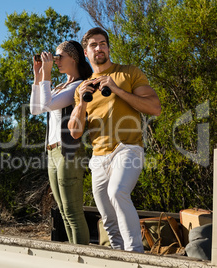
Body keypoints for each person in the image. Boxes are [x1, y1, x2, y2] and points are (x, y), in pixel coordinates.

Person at [68, 27, 161, 252]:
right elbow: (75, 132)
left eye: (102, 43)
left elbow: (154, 108)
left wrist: (116, 89)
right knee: (107, 213)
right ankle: (118, 254)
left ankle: (134, 254)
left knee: (117, 192)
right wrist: (82, 102)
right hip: (99, 157)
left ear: (108, 48)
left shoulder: (128, 73)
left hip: (128, 148)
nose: (99, 48)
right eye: (93, 45)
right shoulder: (83, 87)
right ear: (86, 54)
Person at [30, 40, 93, 245]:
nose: (55, 61)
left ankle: (84, 257)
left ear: (74, 58)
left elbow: (47, 104)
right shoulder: (59, 87)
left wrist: (46, 74)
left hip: (69, 151)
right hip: (52, 152)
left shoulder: (78, 86)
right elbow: (36, 109)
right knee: (63, 212)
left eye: (59, 57)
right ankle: (75, 255)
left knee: (73, 211)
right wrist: (38, 77)